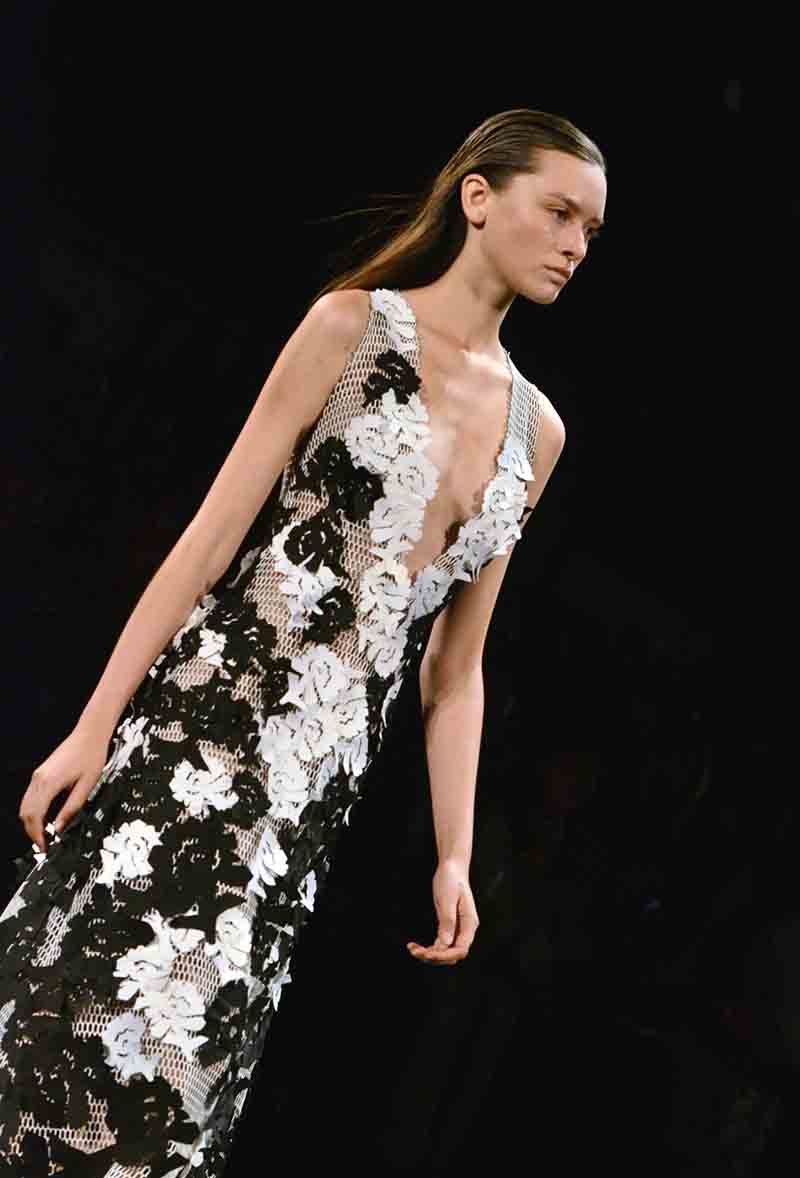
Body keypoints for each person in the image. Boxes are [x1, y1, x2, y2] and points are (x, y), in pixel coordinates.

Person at [0, 107, 606, 1174]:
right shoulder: (350, 328)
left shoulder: (536, 433)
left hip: (305, 805)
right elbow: (207, 543)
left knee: (184, 1065)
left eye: (589, 230)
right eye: (558, 212)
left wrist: (455, 852)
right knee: (86, 999)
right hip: (200, 733)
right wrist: (92, 729)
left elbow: (455, 670)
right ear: (478, 197)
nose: (573, 245)